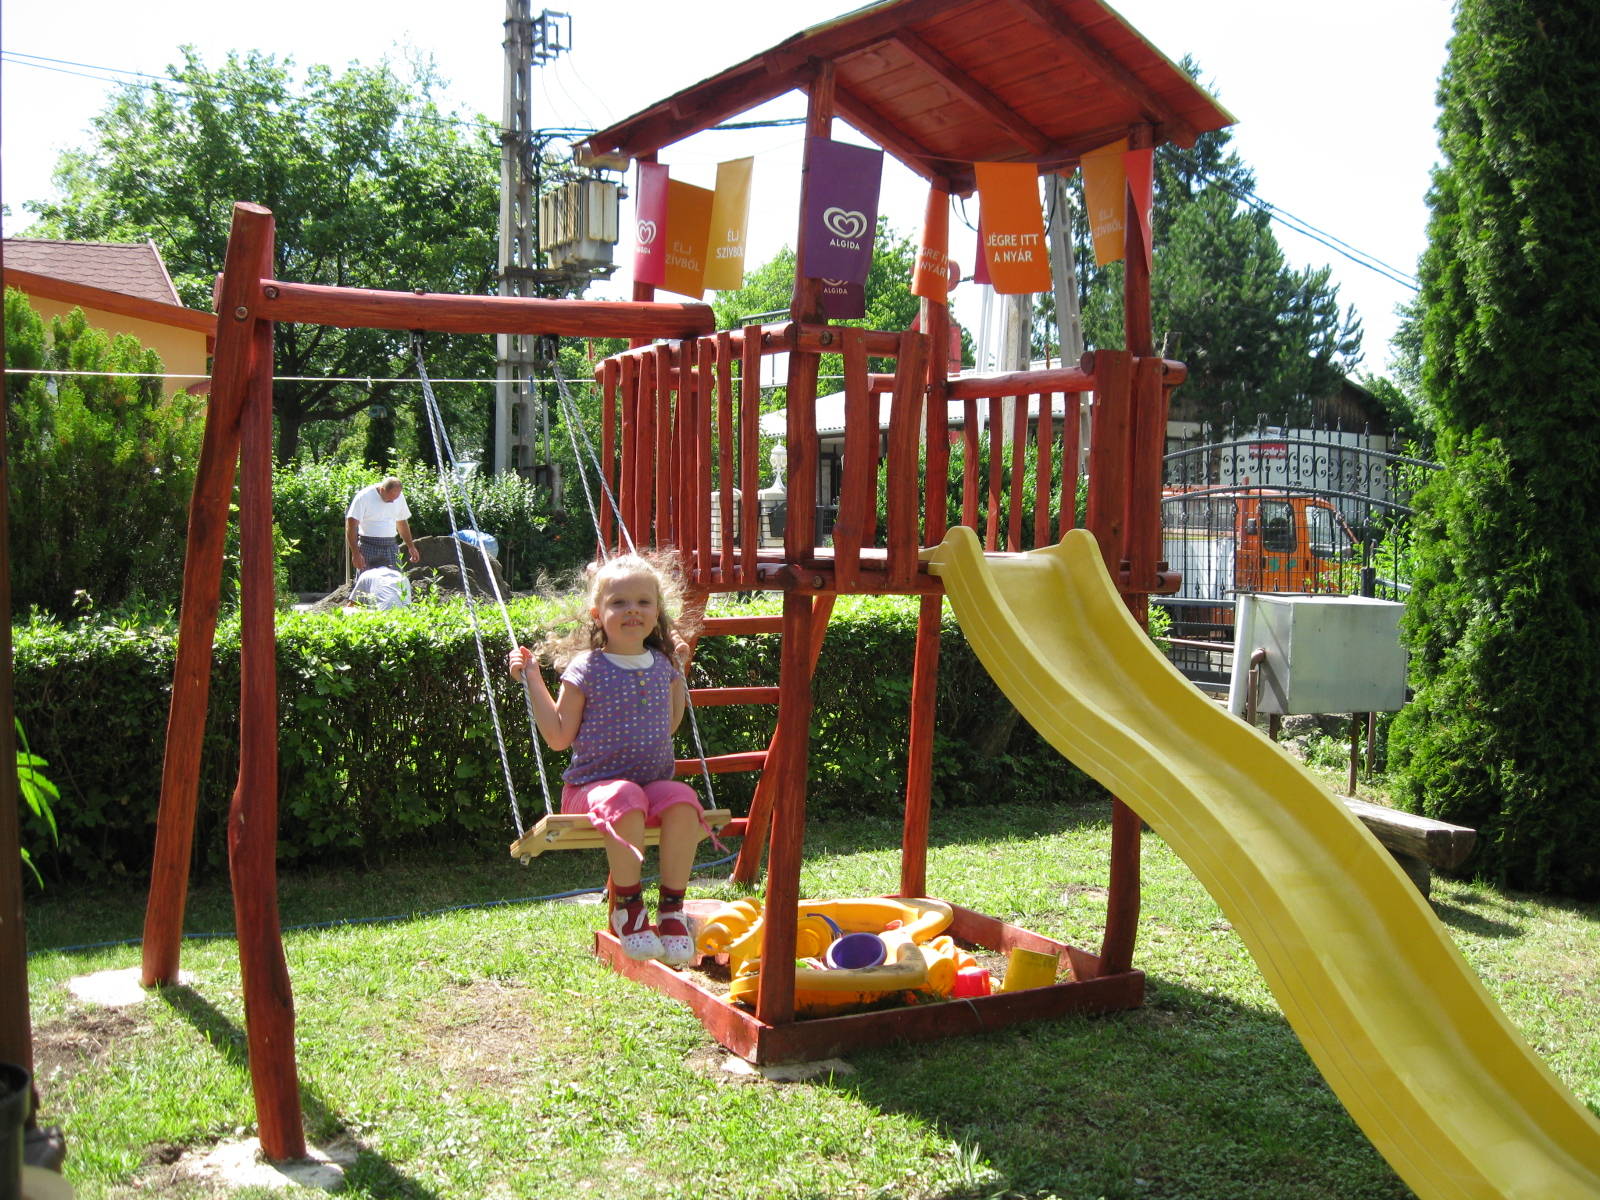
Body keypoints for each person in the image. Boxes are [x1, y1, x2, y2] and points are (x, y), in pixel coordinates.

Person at [507, 553, 707, 965]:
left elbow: (669, 725)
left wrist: (678, 669)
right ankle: (629, 909)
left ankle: (672, 908)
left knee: (685, 801)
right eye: (619, 602)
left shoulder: (662, 664)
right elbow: (558, 736)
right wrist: (532, 677)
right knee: (624, 796)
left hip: (649, 790)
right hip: (590, 791)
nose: (632, 610)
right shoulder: (587, 667)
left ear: (657, 612)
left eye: (643, 602)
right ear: (598, 614)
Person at [345, 476, 420, 572]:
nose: (392, 501)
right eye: (390, 499)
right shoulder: (364, 497)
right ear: (382, 490)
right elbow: (351, 526)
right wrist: (355, 554)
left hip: (391, 546)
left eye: (395, 498)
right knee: (368, 579)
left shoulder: (399, 497)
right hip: (368, 545)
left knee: (394, 579)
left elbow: (401, 522)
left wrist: (411, 546)